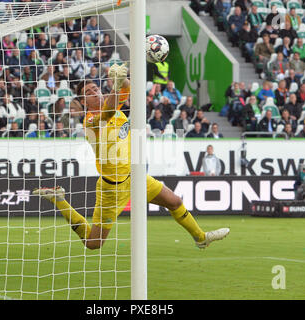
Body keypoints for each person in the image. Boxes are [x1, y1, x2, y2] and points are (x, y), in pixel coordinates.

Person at [33, 64, 230, 250]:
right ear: (83, 102)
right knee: (94, 243)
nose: (94, 92)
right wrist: (116, 86)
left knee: (175, 201)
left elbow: (128, 89)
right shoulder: (91, 121)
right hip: (113, 187)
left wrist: (121, 77)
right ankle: (59, 200)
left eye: (96, 89)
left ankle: (201, 238)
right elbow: (107, 111)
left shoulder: (117, 111)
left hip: (134, 177)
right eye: (88, 93)